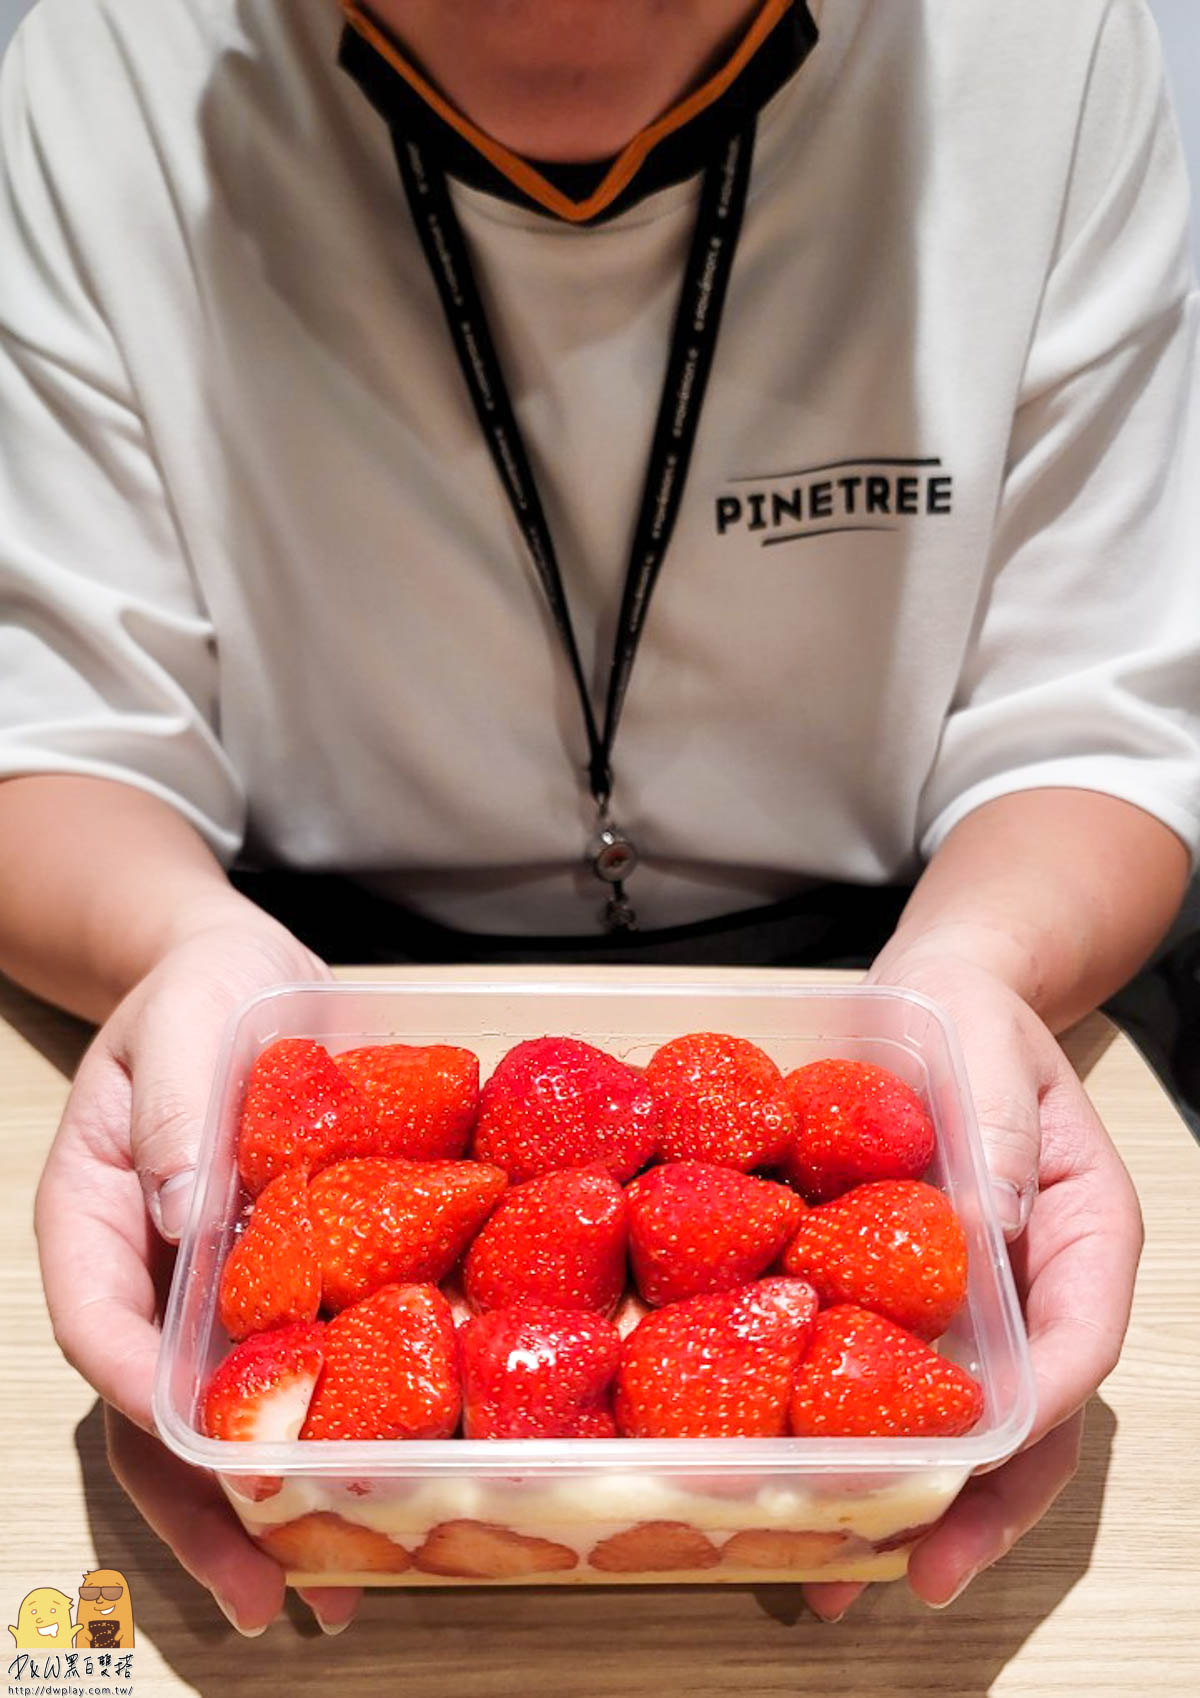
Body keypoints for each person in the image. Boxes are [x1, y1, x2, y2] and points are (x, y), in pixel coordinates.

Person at [1, 0, 1197, 1637]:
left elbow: (1101, 716)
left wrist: (969, 974)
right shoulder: (98, 59)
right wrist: (175, 943)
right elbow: (51, 726)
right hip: (319, 995)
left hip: (862, 1001)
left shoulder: (1052, 46)